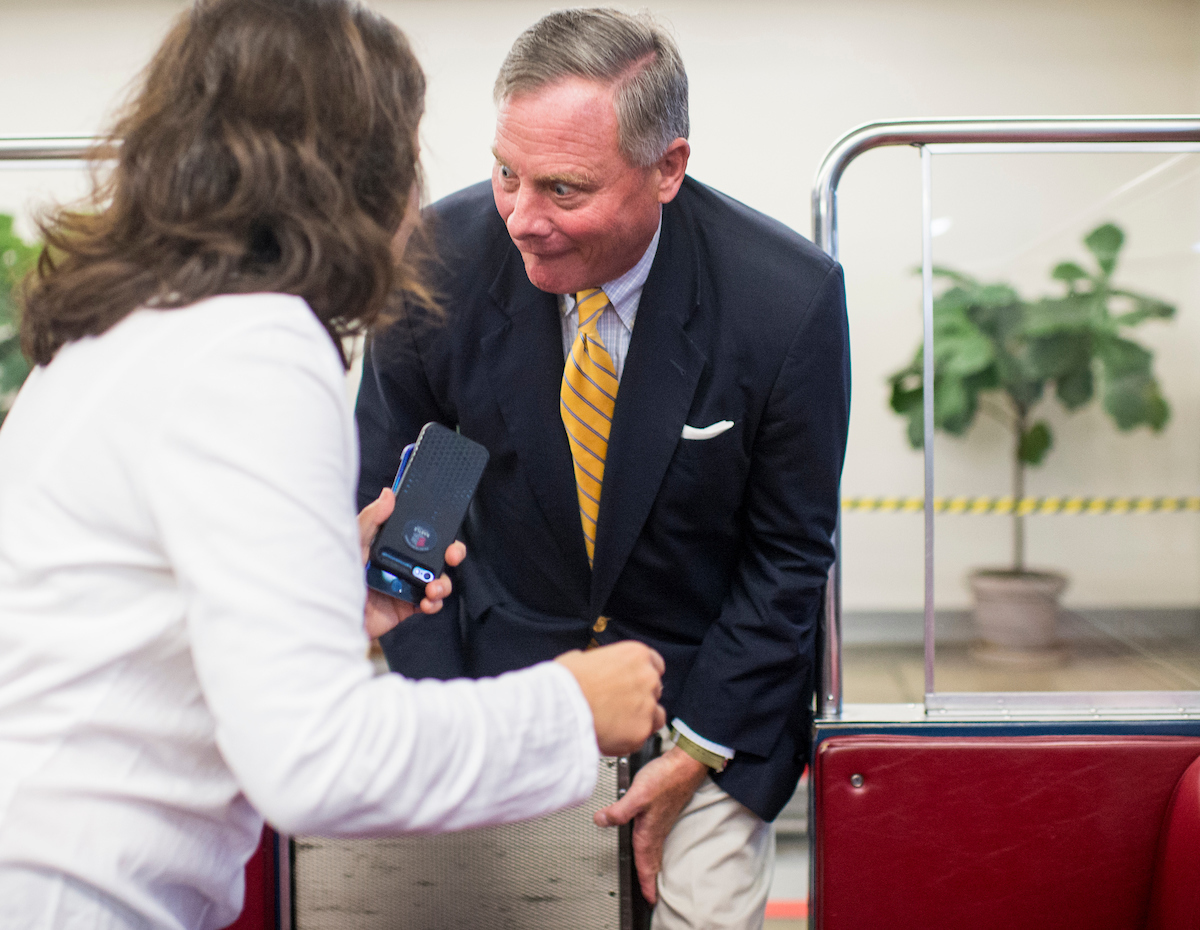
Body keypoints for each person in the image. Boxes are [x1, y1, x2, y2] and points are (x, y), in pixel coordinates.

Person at [0, 3, 668, 929]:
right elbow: (317, 762)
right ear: (362, 172)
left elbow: (129, 625)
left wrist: (316, 590)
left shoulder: (121, 324)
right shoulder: (257, 347)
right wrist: (569, 709)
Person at [355, 7, 851, 929]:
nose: (523, 218)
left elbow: (787, 554)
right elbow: (406, 505)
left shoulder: (786, 302)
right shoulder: (436, 265)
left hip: (700, 697)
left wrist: (696, 754)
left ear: (668, 168)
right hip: (498, 682)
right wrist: (453, 715)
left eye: (565, 189)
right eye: (508, 174)